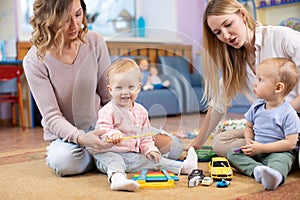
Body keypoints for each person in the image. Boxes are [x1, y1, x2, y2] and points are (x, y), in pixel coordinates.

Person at [22, 0, 182, 177]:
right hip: (69, 138)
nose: (76, 25)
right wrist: (82, 138)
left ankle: (107, 156)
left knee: (173, 147)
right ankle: (112, 156)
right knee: (65, 162)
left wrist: (128, 127)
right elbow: (52, 117)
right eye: (65, 19)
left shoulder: (94, 41)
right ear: (48, 19)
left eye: (78, 14)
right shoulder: (34, 61)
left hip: (107, 127)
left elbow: (108, 96)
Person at [190, 0, 300, 162]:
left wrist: (280, 115)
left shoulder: (281, 37)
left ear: (242, 15)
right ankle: (279, 150)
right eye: (218, 32)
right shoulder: (234, 65)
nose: (226, 36)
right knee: (220, 143)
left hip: (291, 120)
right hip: (269, 129)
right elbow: (217, 107)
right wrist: (195, 145)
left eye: (228, 24)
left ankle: (282, 151)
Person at [93, 58, 198, 192]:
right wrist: (111, 134)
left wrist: (150, 150)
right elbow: (102, 129)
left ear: (139, 87)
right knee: (115, 162)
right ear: (110, 89)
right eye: (119, 88)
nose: (125, 92)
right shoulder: (107, 110)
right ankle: (117, 179)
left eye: (130, 87)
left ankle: (184, 167)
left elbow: (145, 138)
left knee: (155, 161)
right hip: (108, 153)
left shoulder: (142, 111)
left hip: (132, 155)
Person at [227, 57, 300, 191]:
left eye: (260, 80)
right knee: (232, 154)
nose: (255, 84)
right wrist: (249, 141)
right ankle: (257, 171)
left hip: (279, 152)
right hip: (257, 150)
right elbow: (249, 126)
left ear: (278, 87)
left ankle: (274, 178)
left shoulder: (288, 113)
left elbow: (290, 143)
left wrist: (263, 148)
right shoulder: (257, 106)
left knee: (280, 162)